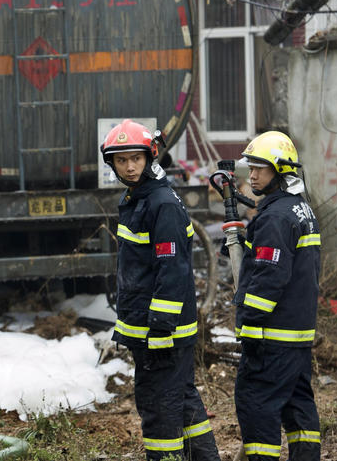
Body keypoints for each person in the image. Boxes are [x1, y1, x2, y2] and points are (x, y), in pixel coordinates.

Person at [101, 119, 219, 461]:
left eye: (135, 158)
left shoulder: (160, 203)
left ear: (149, 156)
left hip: (160, 331)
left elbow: (173, 269)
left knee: (159, 407)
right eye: (121, 160)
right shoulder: (139, 198)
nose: (130, 166)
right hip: (151, 327)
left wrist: (160, 329)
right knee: (181, 398)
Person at [234, 131, 321, 460]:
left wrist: (250, 323)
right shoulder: (302, 210)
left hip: (272, 337)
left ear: (281, 171)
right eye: (251, 167)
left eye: (260, 168)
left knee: (256, 404)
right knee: (299, 410)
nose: (252, 174)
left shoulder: (275, 217)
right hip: (298, 335)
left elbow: (270, 277)